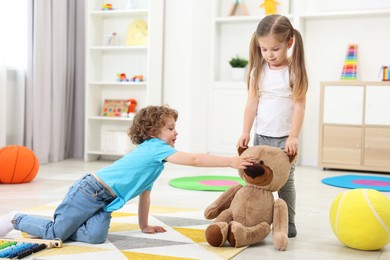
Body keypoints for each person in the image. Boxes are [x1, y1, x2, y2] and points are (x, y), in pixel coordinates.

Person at [0, 105, 254, 243]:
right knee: (56, 234)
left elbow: (145, 196)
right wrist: (232, 161)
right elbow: (196, 160)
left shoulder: (155, 162)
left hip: (105, 202)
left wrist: (144, 226)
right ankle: (16, 218)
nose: (176, 133)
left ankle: (54, 228)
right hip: (89, 191)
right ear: (153, 131)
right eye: (170, 128)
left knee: (96, 238)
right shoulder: (157, 148)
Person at [236, 14, 308, 238]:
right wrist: (246, 131)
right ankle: (258, 217)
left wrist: (293, 136)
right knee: (257, 180)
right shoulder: (259, 71)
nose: (269, 54)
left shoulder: (294, 72)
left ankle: (288, 221)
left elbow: (299, 107)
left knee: (286, 182)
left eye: (275, 49)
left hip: (284, 138)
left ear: (289, 42)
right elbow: (251, 103)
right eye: (263, 49)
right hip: (261, 135)